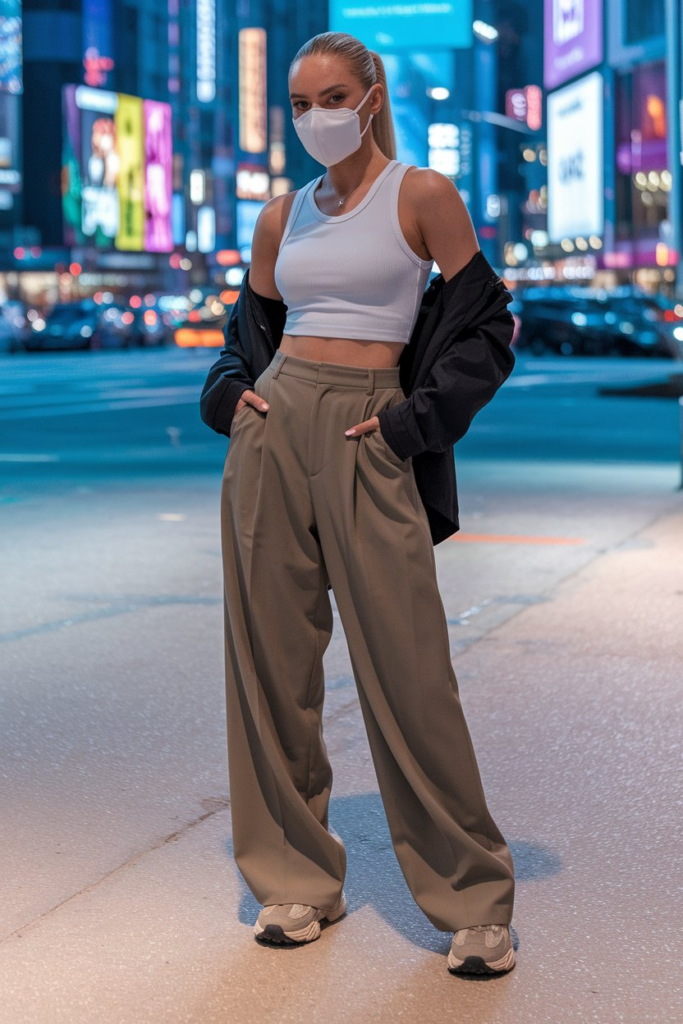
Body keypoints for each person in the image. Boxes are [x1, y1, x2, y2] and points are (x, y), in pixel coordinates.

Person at [201, 31, 517, 975]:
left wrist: (413, 424)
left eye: (330, 98)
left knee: (408, 667)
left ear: (370, 98)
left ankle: (473, 898)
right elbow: (247, 330)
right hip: (275, 427)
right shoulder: (278, 216)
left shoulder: (419, 193)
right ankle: (294, 882)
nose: (313, 119)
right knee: (268, 667)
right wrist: (230, 396)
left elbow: (488, 321)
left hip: (366, 435)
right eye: (298, 105)